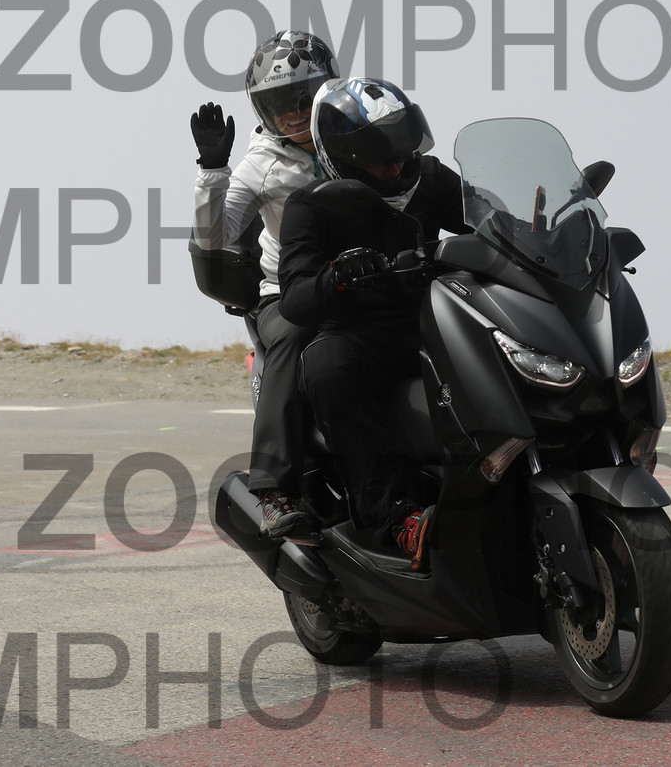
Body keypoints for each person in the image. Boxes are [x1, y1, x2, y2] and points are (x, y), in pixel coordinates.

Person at [276, 77, 470, 568]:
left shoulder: (430, 178)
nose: (398, 166)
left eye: (402, 152)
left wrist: (544, 220)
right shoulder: (312, 205)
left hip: (440, 321)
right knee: (327, 364)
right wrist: (338, 277)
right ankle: (397, 519)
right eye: (382, 160)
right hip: (366, 337)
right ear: (344, 161)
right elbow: (295, 297)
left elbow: (488, 220)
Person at [191, 30, 337, 537]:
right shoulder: (262, 164)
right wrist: (213, 170)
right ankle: (274, 492)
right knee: (293, 338)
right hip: (289, 291)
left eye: (301, 100)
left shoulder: (354, 129)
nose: (292, 115)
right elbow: (215, 236)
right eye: (277, 105)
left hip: (367, 281)